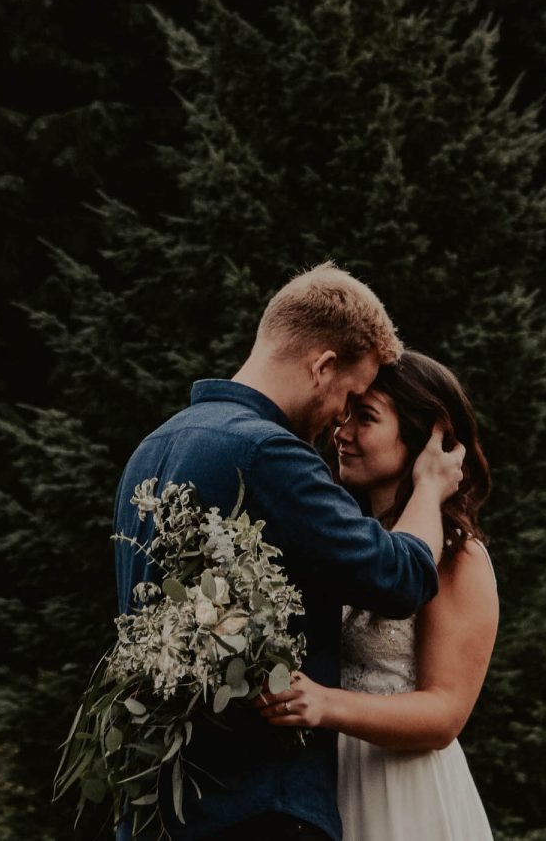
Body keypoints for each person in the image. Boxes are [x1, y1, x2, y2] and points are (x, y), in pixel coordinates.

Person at [113, 266, 465, 841]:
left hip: (157, 802)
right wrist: (429, 487)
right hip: (253, 806)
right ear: (323, 366)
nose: (339, 424)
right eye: (349, 397)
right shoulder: (268, 453)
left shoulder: (152, 450)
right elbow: (401, 578)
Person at [255, 351, 499, 841]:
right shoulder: (343, 540)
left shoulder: (458, 558)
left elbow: (445, 714)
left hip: (404, 791)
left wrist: (325, 704)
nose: (341, 432)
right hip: (324, 783)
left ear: (425, 437)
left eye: (365, 418)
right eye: (344, 415)